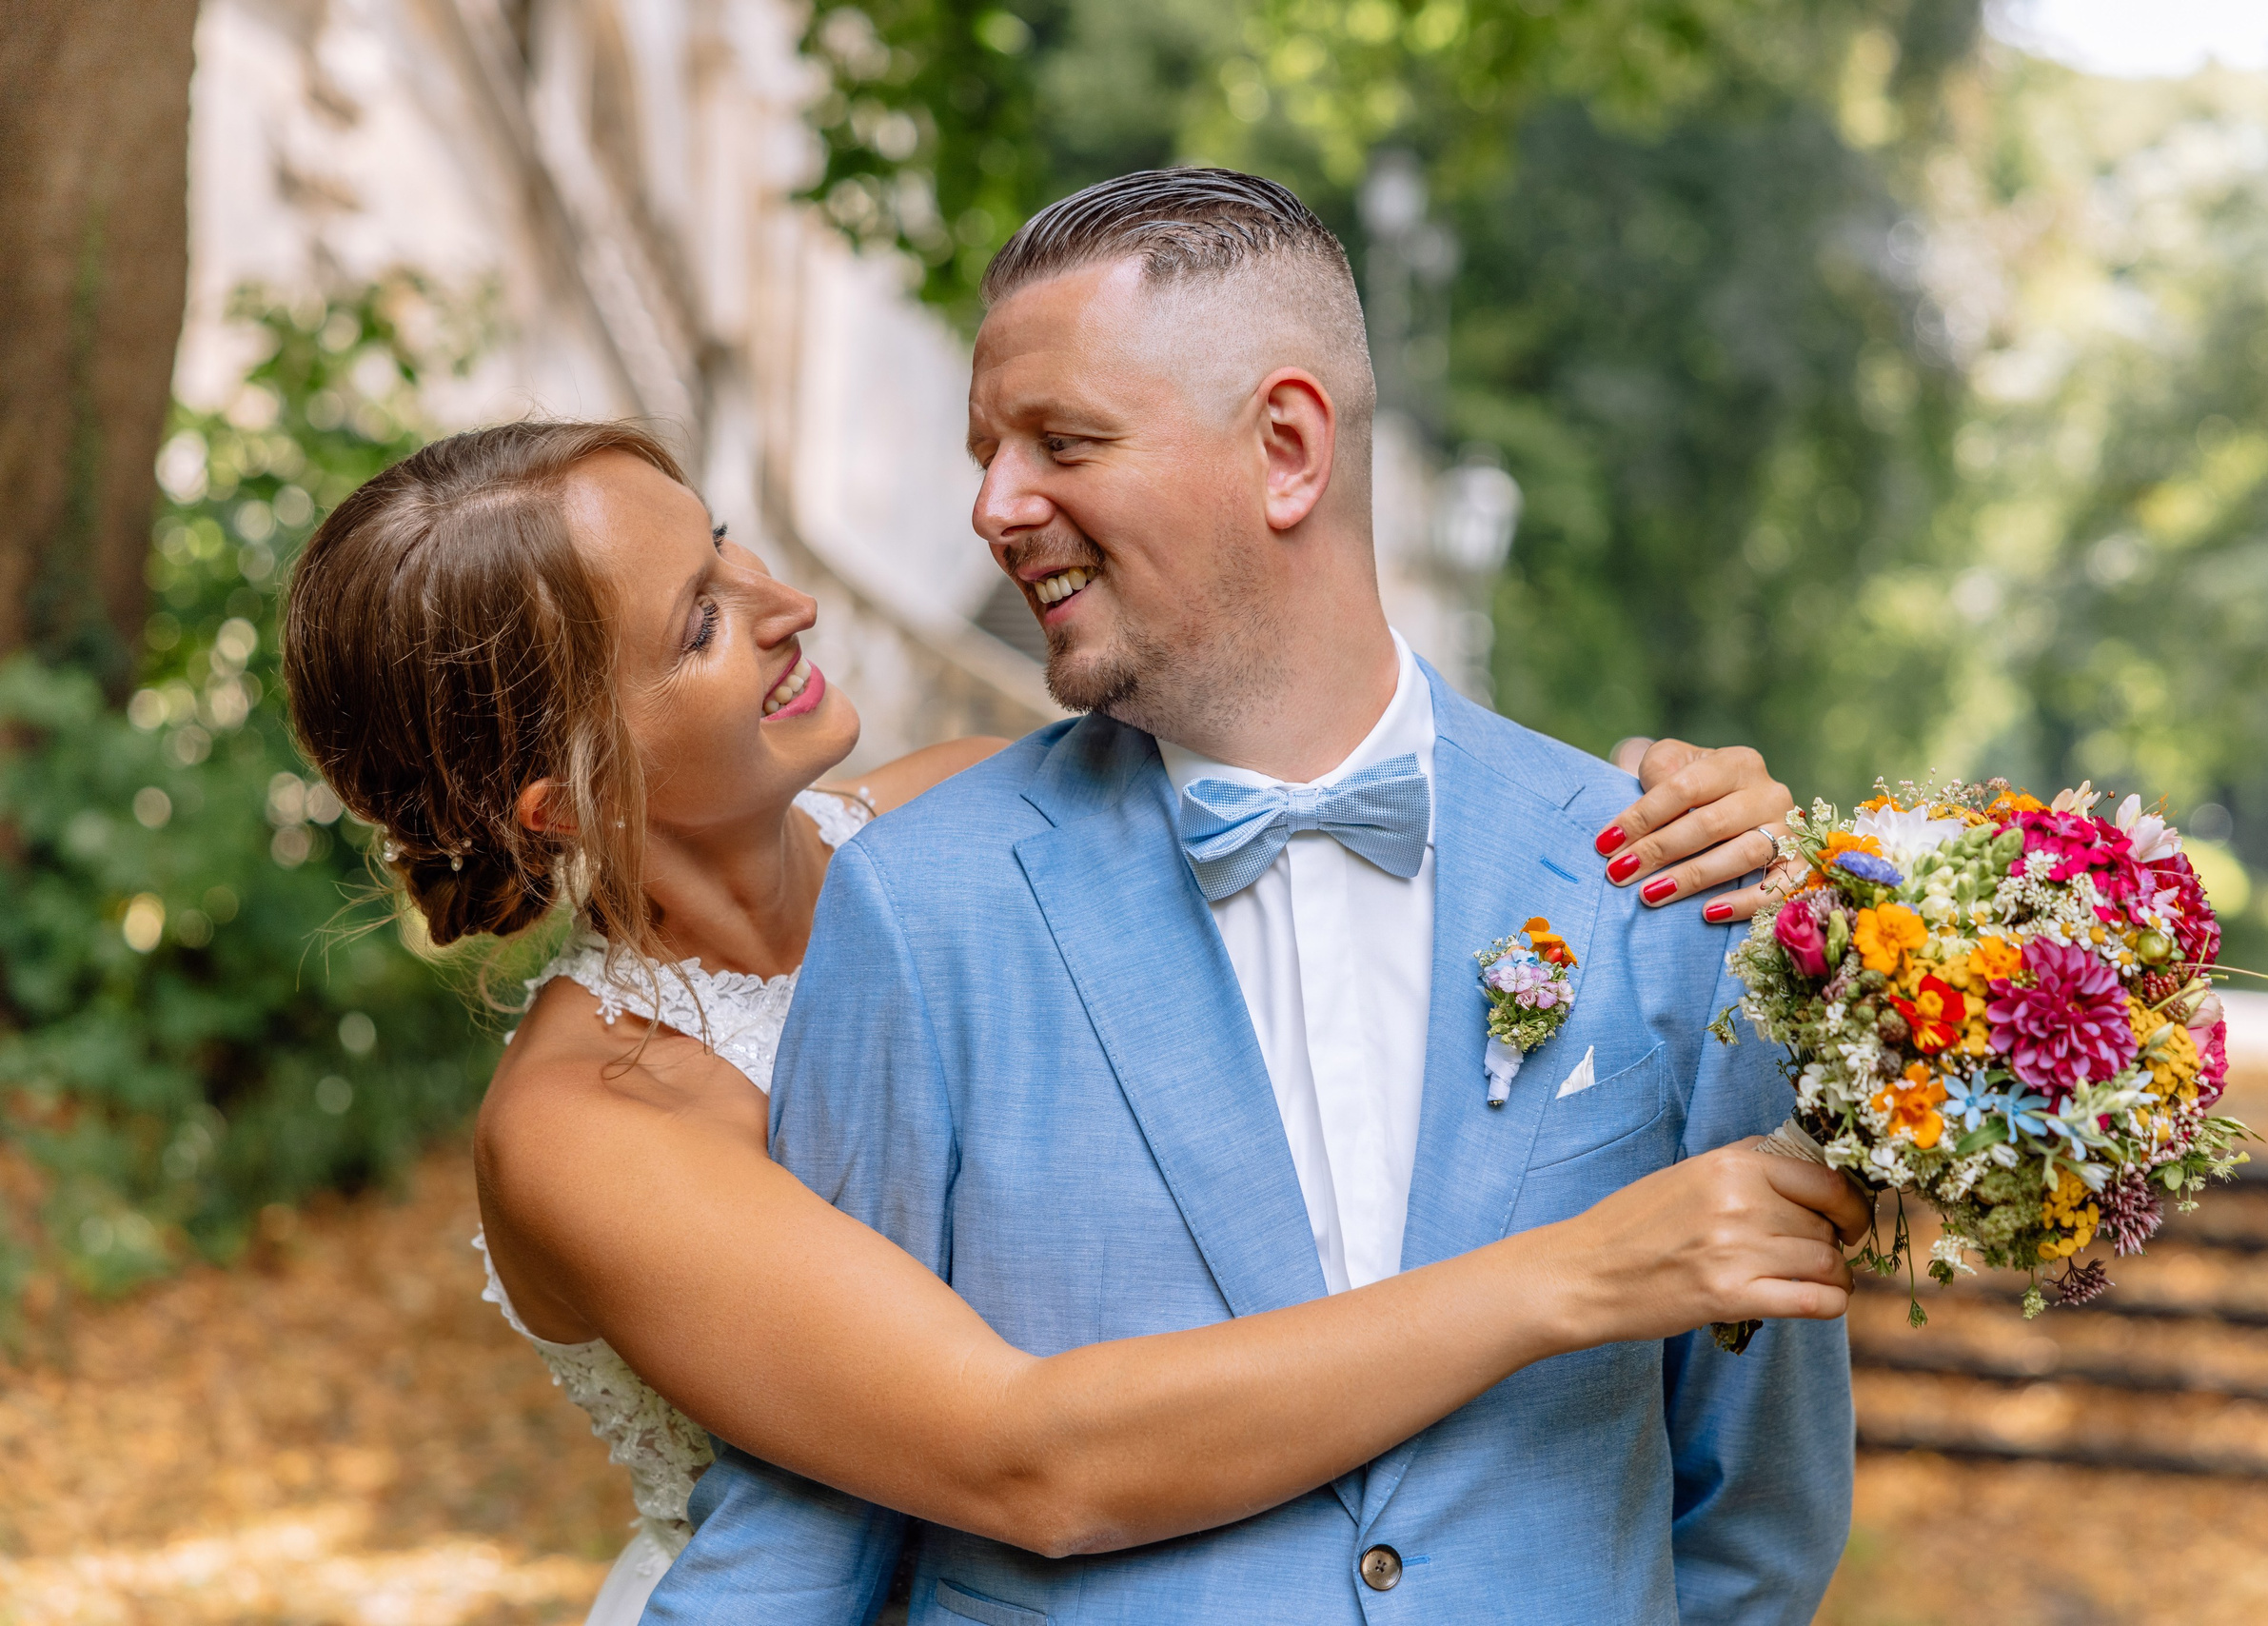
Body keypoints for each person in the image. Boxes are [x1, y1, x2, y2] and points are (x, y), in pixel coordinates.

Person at [278, 419, 1859, 1626]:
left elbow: (1337, 851)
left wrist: (1656, 818)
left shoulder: (983, 812)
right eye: (697, 623)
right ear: (557, 794)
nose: (786, 604)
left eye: (735, 548)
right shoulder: (588, 1130)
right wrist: (1574, 1278)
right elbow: (1021, 1453)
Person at [648, 169, 1858, 1626]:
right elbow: (811, 1497)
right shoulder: (924, 906)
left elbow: (1754, 1513)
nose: (992, 506)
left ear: (1287, 447)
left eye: (1063, 442)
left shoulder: (1663, 873)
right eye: (985, 452)